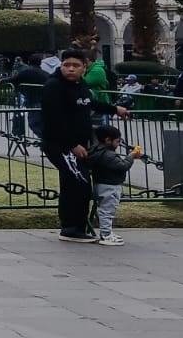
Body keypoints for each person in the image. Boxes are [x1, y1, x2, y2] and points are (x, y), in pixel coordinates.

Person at [41, 50, 129, 243]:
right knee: (79, 183)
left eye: (75, 65)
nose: (70, 69)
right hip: (61, 145)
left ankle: (75, 226)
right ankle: (72, 228)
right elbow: (52, 120)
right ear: (61, 65)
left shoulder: (80, 85)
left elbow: (90, 103)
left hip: (79, 144)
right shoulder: (53, 87)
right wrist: (72, 145)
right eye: (66, 65)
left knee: (73, 182)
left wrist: (115, 109)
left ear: (84, 67)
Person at [82, 124, 141, 246]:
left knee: (105, 210)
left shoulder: (96, 151)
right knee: (107, 211)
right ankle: (106, 235)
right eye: (117, 141)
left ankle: (107, 232)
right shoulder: (108, 155)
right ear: (108, 140)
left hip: (101, 183)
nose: (119, 144)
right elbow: (122, 166)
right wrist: (131, 156)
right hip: (110, 185)